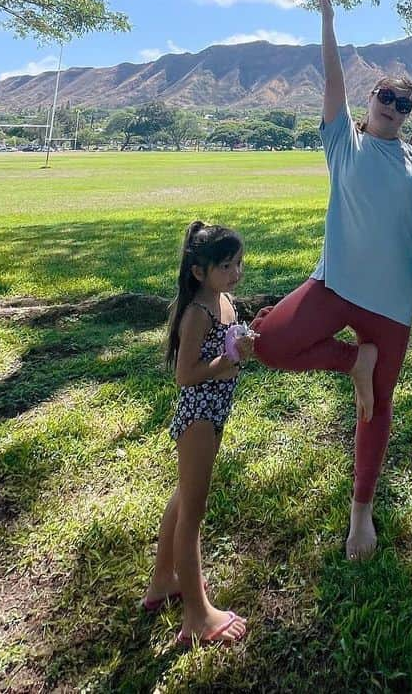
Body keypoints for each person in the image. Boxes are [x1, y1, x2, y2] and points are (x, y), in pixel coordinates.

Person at [252, 0, 412, 560]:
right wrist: (327, 19)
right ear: (369, 101)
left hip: (392, 302)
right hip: (335, 284)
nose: (393, 108)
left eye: (403, 104)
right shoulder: (343, 144)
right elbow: (333, 82)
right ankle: (354, 361)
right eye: (386, 98)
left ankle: (361, 515)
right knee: (267, 343)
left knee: (376, 407)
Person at [142, 220, 257, 646]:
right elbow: (185, 375)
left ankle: (163, 581)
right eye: (226, 266)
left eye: (238, 264)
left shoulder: (224, 301)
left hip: (215, 413)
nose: (235, 273)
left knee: (184, 495)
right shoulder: (196, 312)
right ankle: (196, 616)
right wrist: (226, 364)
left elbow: (229, 344)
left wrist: (244, 339)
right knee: (194, 512)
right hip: (199, 416)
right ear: (199, 272)